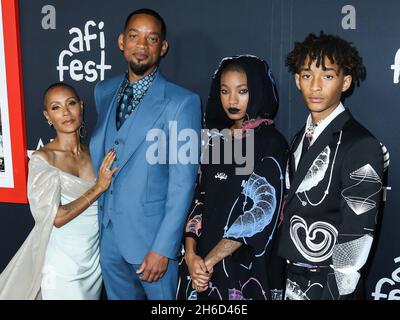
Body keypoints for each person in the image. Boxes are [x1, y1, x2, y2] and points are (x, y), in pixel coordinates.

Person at [89, 8, 201, 300]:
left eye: (151, 39)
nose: (141, 45)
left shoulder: (182, 103)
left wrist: (163, 248)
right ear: (121, 42)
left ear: (162, 48)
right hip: (109, 239)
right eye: (134, 36)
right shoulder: (104, 91)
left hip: (152, 244)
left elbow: (182, 183)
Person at [278, 32, 384, 300]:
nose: (315, 86)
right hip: (293, 281)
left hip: (329, 288)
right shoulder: (299, 137)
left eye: (327, 76)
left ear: (345, 81)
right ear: (296, 80)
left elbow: (357, 235)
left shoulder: (361, 143)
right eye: (306, 75)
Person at [178, 55, 288, 300]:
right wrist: (191, 254)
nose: (232, 100)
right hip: (201, 270)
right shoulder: (215, 141)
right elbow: (199, 200)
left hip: (244, 270)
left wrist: (208, 261)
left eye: (242, 91)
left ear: (258, 92)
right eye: (225, 91)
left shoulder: (272, 143)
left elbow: (262, 212)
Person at [0, 82, 116, 299]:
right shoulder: (43, 160)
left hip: (93, 264)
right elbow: (57, 217)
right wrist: (99, 187)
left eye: (71, 103)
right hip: (61, 265)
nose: (65, 112)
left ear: (81, 107)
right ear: (47, 116)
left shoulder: (95, 154)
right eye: (56, 107)